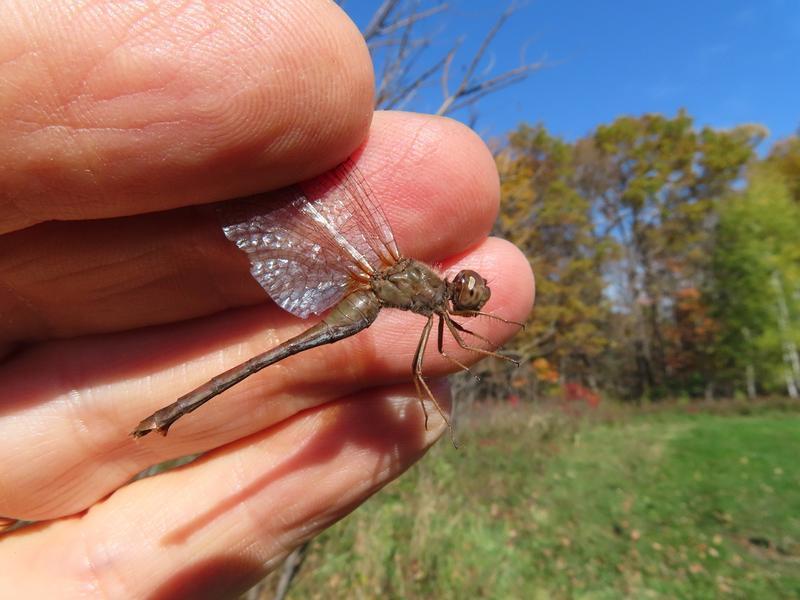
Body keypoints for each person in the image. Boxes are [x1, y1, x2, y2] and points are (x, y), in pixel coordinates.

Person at [0, 1, 534, 597]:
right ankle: (169, 417)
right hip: (356, 297)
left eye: (467, 296)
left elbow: (445, 345)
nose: (464, 297)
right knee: (289, 363)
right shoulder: (425, 292)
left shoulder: (430, 297)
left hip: (358, 296)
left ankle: (152, 426)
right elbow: (433, 356)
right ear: (450, 290)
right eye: (465, 292)